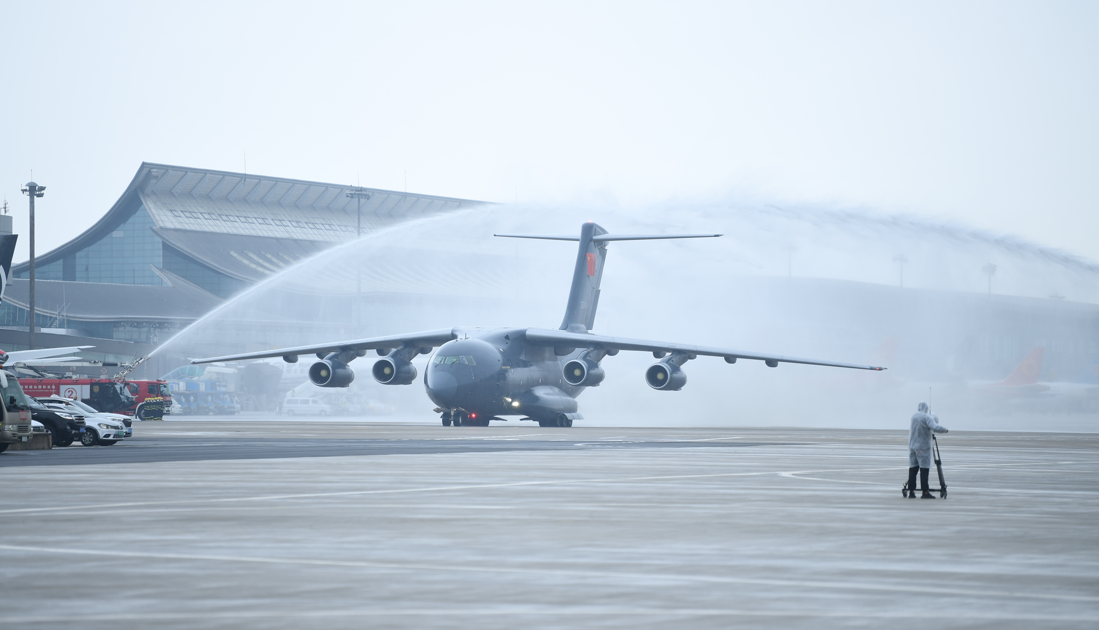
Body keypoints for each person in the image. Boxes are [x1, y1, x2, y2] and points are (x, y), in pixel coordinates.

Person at [908, 401, 948, 499]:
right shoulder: (927, 417)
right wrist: (945, 430)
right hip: (923, 447)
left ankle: (911, 491)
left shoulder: (914, 416)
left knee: (913, 468)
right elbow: (934, 427)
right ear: (926, 409)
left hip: (913, 446)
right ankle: (925, 492)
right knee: (924, 469)